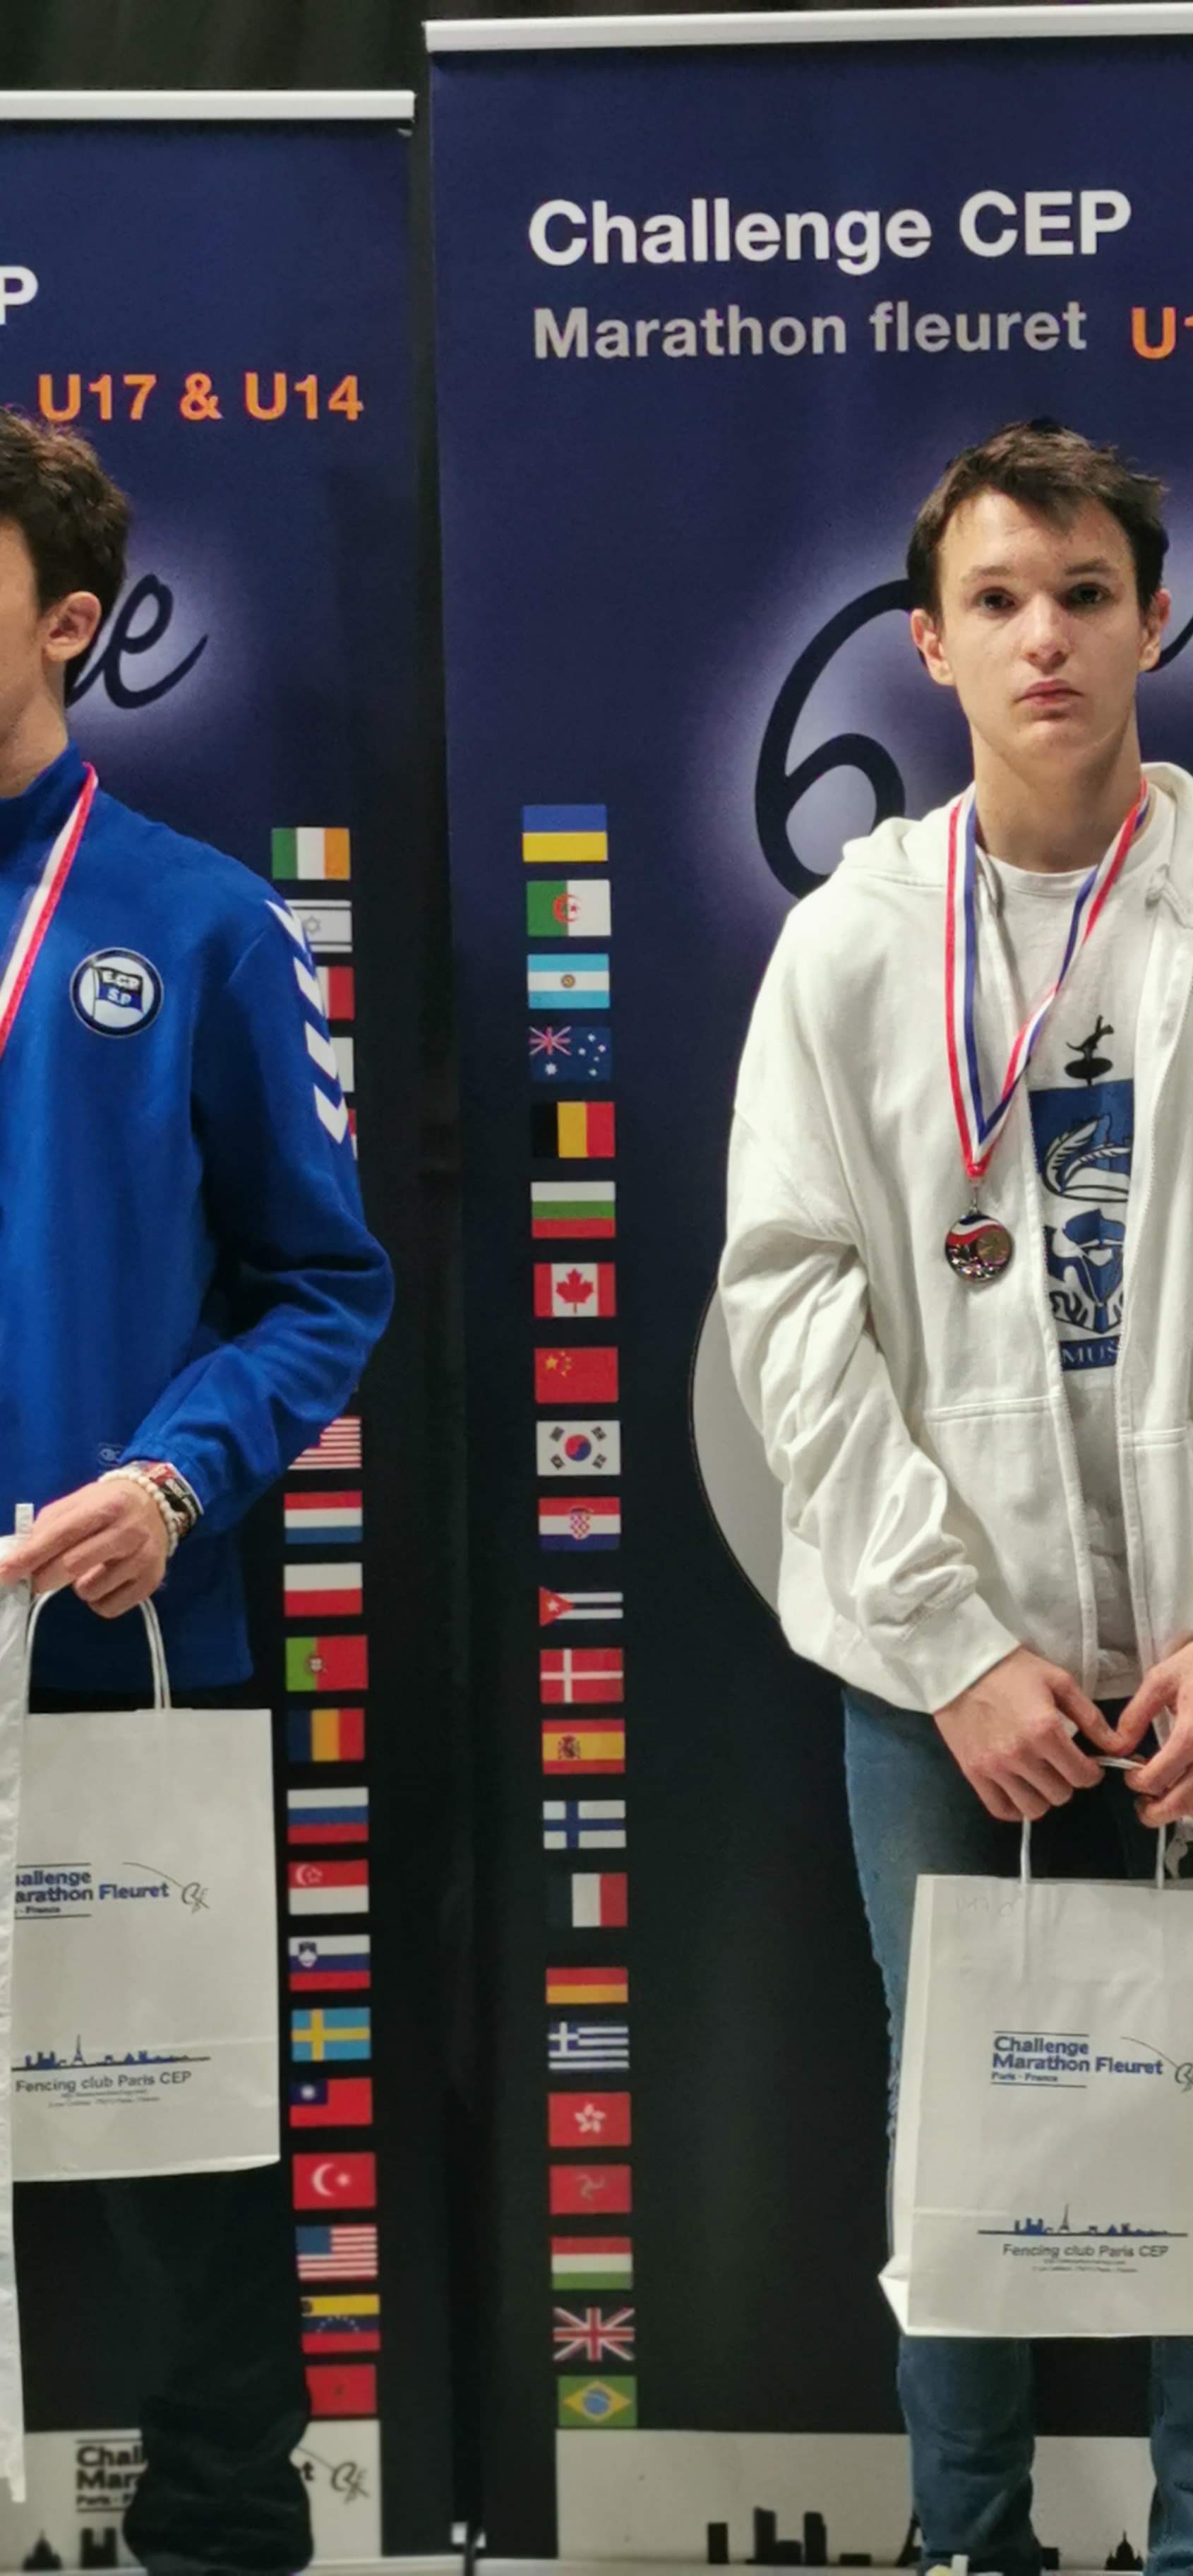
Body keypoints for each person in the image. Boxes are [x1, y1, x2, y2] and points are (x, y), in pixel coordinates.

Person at [719, 419, 1193, 2576]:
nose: (1047, 637)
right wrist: (954, 1646)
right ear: (930, 646)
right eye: (1001, 601)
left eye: (1087, 595)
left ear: (1153, 623)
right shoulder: (853, 947)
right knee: (960, 2105)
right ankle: (971, 2541)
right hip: (945, 1674)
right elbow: (790, 1310)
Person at [0, 413, 392, 2576]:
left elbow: (329, 1287)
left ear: (69, 621)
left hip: (125, 1664)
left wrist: (179, 1471)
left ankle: (228, 2541)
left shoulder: (202, 924)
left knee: (186, 2173)